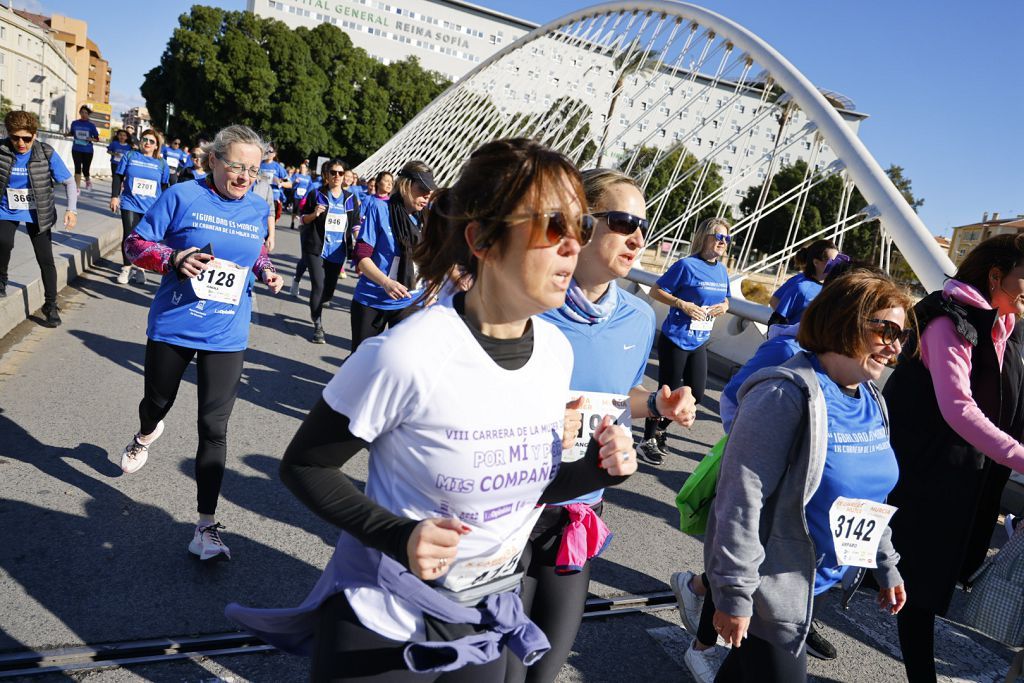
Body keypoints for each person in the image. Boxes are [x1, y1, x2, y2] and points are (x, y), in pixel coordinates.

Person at [225, 137, 638, 681]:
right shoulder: (409, 352)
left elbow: (520, 486)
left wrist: (598, 470)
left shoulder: (555, 355)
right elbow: (305, 465)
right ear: (483, 241)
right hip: (386, 629)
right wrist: (399, 536)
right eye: (552, 226)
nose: (572, 245)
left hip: (486, 623)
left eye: (581, 226)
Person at [504, 168, 697, 683]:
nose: (638, 237)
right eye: (622, 222)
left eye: (644, 224)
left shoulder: (638, 317)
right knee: (498, 668)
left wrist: (657, 403)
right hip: (509, 509)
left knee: (544, 667)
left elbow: (615, 400)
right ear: (578, 221)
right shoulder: (527, 305)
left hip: (578, 515)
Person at [672, 260, 886, 682]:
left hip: (814, 568)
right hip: (770, 554)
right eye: (886, 331)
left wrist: (884, 560)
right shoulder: (786, 363)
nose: (896, 346)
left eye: (902, 334)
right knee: (737, 588)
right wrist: (755, 445)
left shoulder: (869, 396)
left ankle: (706, 604)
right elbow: (736, 405)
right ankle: (701, 642)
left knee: (749, 664)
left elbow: (867, 490)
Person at [119, 124, 284, 561]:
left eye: (254, 169)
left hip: (228, 332)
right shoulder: (181, 197)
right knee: (156, 401)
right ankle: (145, 433)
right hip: (174, 324)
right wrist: (173, 258)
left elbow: (256, 250)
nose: (245, 176)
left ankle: (206, 526)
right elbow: (133, 245)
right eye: (236, 166)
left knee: (214, 428)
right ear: (212, 160)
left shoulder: (255, 207)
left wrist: (264, 269)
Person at [883, 234, 1024, 683]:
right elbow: (958, 407)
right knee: (915, 578)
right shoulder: (949, 321)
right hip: (925, 472)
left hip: (969, 476)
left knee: (920, 576)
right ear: (995, 276)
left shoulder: (1008, 326)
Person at [637, 217, 732, 465]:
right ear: (705, 237)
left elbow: (727, 300)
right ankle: (646, 441)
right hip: (676, 338)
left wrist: (723, 306)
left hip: (699, 340)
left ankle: (660, 429)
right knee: (667, 393)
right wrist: (682, 304)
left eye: (727, 238)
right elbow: (655, 290)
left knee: (696, 395)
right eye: (719, 236)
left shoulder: (722, 270)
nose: (723, 242)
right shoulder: (686, 266)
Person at [0, 110, 78, 324]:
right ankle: (2, 278)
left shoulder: (45, 152)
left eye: (26, 138)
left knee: (45, 259)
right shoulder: (2, 149)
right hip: (6, 208)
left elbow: (70, 183)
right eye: (15, 137)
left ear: (34, 135)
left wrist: (72, 210)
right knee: (3, 241)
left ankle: (51, 305)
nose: (20, 143)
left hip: (38, 211)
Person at [349, 161, 433, 350]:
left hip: (409, 300)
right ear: (406, 185)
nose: (427, 195)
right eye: (422, 188)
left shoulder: (427, 217)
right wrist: (386, 282)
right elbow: (361, 257)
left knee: (399, 362)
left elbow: (431, 258)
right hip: (372, 298)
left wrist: (432, 291)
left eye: (430, 190)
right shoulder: (379, 209)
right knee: (362, 360)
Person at [299, 157, 360, 344]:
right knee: (318, 285)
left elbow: (355, 223)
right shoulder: (316, 194)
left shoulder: (351, 199)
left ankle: (323, 302)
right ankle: (318, 325)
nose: (337, 176)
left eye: (341, 173)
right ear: (327, 175)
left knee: (328, 291)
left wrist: (358, 241)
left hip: (338, 251)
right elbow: (303, 219)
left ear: (345, 176)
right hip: (316, 247)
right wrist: (314, 214)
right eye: (333, 172)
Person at [109, 128, 171, 285]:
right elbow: (118, 176)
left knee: (146, 239)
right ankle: (126, 267)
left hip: (151, 207)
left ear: (157, 145)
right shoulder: (130, 156)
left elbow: (164, 187)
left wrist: (165, 209)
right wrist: (115, 196)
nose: (147, 143)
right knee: (129, 236)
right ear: (140, 141)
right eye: (145, 139)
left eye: (151, 141)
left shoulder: (162, 164)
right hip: (130, 202)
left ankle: (140, 268)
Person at [768, 239, 841, 326]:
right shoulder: (801, 285)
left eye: (839, 260)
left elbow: (775, 300)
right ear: (816, 262)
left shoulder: (833, 286)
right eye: (832, 261)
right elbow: (774, 303)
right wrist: (792, 325)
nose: (837, 264)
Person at [69, 105, 99, 191]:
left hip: (87, 150)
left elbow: (97, 139)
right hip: (76, 149)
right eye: (82, 112)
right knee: (77, 168)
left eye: (86, 113)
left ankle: (87, 181)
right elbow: (72, 133)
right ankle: (77, 188)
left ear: (88, 114)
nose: (83, 114)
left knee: (86, 169)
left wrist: (90, 139)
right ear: (79, 113)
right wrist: (66, 134)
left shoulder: (91, 125)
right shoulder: (74, 123)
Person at [258, 145, 291, 223]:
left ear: (274, 154)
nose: (268, 153)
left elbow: (290, 184)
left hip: (274, 197)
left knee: (271, 220)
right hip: (260, 195)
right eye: (266, 151)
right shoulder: (259, 164)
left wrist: (280, 183)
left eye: (270, 151)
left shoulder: (278, 167)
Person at [106, 129, 133, 194]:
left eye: (124, 135)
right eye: (120, 135)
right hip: (115, 163)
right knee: (115, 179)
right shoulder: (114, 143)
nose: (122, 137)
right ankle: (115, 194)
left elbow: (131, 155)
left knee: (120, 180)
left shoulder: (129, 146)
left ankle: (118, 193)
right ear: (117, 136)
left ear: (127, 137)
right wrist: (114, 154)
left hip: (124, 165)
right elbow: (108, 151)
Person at [289, 162, 312, 230]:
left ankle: (300, 224)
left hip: (304, 196)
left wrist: (307, 194)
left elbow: (310, 186)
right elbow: (291, 184)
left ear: (306, 169)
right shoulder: (296, 175)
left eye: (303, 167)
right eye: (301, 167)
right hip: (297, 195)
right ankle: (292, 222)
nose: (302, 168)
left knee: (302, 210)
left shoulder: (308, 177)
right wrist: (295, 181)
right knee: (295, 210)